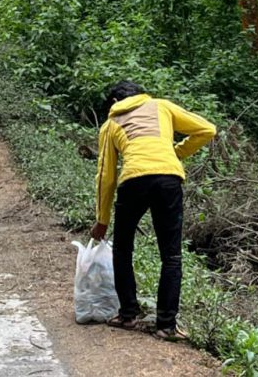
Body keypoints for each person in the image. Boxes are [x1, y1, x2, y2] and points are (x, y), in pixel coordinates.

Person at [90, 80, 216, 340]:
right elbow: (207, 129)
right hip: (168, 180)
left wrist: (102, 219)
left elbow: (106, 176)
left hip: (133, 181)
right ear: (140, 95)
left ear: (114, 103)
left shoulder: (111, 124)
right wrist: (175, 153)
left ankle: (128, 315)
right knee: (171, 256)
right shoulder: (161, 106)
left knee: (123, 249)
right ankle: (166, 325)